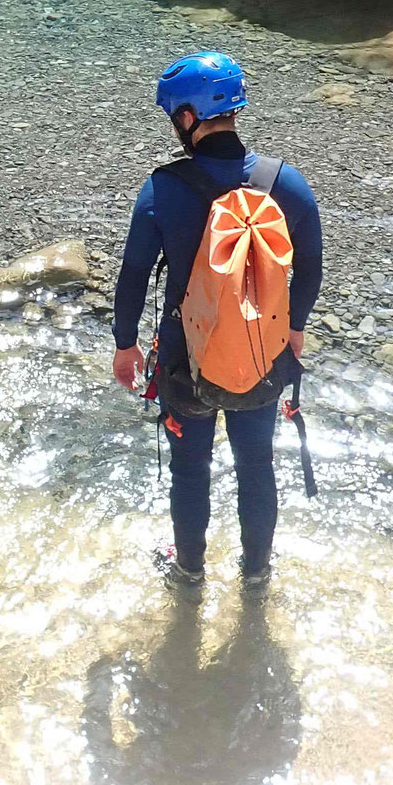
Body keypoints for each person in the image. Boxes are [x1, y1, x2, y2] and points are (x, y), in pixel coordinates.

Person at [112, 53, 323, 587]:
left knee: (190, 468)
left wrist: (125, 344)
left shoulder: (162, 189)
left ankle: (188, 570)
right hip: (262, 356)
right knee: (256, 466)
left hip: (187, 359)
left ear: (188, 117)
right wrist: (293, 330)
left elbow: (134, 274)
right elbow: (312, 267)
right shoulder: (287, 183)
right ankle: (255, 575)